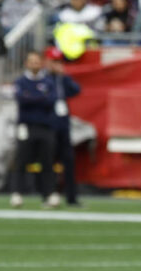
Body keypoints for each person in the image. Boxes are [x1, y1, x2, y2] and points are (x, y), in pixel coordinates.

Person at [10, 51, 59, 208]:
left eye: (37, 61)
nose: (34, 64)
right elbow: (22, 99)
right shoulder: (21, 81)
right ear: (26, 63)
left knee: (47, 161)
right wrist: (39, 97)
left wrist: (32, 97)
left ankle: (49, 194)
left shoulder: (48, 81)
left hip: (45, 127)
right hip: (26, 126)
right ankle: (17, 193)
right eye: (31, 61)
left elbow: (51, 101)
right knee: (22, 160)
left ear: (41, 63)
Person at [46, 46, 82, 206]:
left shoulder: (63, 79)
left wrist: (65, 76)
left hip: (63, 125)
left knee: (69, 161)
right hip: (49, 125)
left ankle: (71, 198)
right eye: (54, 61)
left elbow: (76, 90)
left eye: (58, 61)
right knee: (49, 161)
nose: (57, 64)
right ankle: (49, 195)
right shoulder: (44, 79)